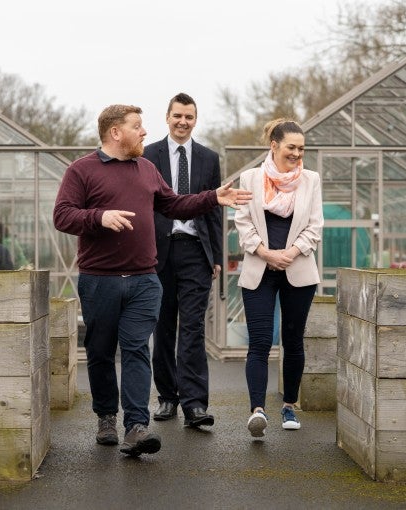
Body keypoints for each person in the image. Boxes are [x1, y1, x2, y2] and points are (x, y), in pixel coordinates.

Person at [53, 104, 251, 457]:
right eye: (137, 126)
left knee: (136, 350)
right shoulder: (82, 170)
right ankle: (105, 417)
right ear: (116, 132)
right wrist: (100, 217)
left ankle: (136, 427)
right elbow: (63, 215)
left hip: (145, 279)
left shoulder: (147, 169)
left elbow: (173, 205)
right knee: (99, 352)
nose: (144, 132)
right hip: (100, 280)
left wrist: (212, 199)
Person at [234, 119, 323, 438]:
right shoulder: (250, 178)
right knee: (258, 342)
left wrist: (290, 252)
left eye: (301, 148)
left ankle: (288, 406)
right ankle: (257, 410)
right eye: (291, 147)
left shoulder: (311, 180)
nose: (298, 153)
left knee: (293, 339)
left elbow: (315, 226)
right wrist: (267, 253)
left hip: (298, 270)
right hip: (260, 269)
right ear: (274, 146)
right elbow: (243, 224)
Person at [143, 93, 221, 428]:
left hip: (195, 251)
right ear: (167, 117)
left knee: (192, 328)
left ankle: (194, 404)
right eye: (177, 116)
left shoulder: (208, 158)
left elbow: (214, 208)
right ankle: (167, 398)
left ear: (195, 119)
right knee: (163, 327)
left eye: (189, 117)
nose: (182, 122)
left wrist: (216, 255)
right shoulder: (149, 156)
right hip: (158, 251)